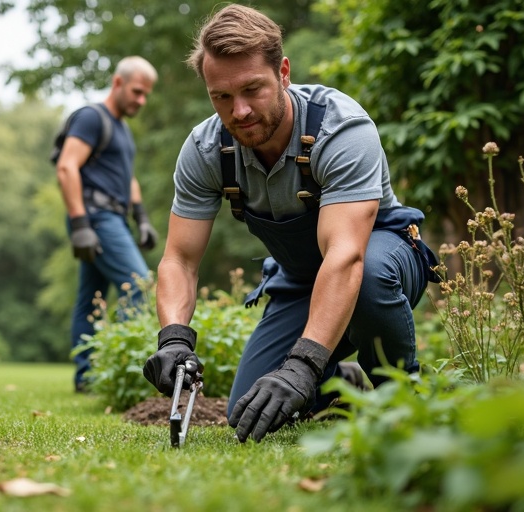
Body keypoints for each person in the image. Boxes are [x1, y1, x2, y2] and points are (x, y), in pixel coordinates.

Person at [142, 4, 439, 442]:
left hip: (379, 257)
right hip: (301, 279)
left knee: (371, 276)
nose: (238, 111)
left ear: (283, 72)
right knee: (247, 408)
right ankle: (342, 385)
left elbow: (346, 256)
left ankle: (403, 396)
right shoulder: (206, 150)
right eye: (221, 96)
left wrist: (302, 365)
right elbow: (179, 259)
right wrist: (173, 339)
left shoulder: (341, 130)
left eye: (252, 90)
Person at [55, 56, 161, 393]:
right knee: (138, 287)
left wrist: (141, 218)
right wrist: (80, 223)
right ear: (117, 82)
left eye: (146, 95)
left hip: (115, 217)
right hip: (96, 217)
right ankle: (127, 371)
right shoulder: (91, 118)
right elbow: (67, 167)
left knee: (92, 298)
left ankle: (86, 377)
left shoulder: (122, 129)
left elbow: (128, 178)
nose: (141, 101)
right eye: (136, 92)